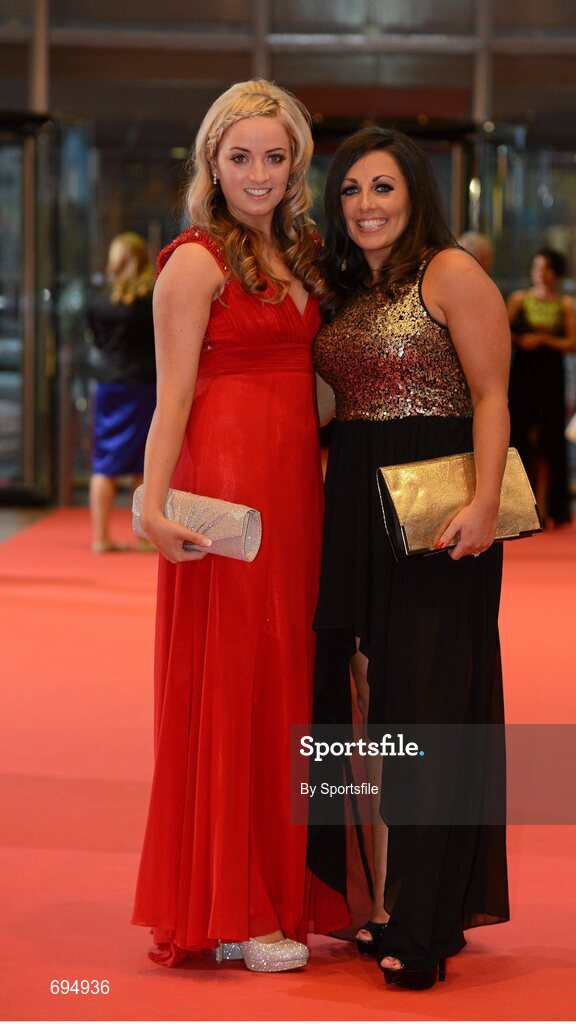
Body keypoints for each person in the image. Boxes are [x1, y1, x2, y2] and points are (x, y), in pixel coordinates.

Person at [131, 79, 334, 971]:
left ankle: (274, 891)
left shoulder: (301, 253)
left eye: (275, 156)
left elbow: (320, 389)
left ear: (296, 166)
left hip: (296, 495)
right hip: (226, 496)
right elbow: (171, 397)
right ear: (212, 162)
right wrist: (151, 503)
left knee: (286, 682)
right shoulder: (194, 260)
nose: (259, 172)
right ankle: (239, 906)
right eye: (241, 155)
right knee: (234, 686)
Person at [310, 126, 510, 990]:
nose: (366, 204)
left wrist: (485, 504)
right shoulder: (345, 291)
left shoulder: (451, 272)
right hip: (354, 508)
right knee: (367, 703)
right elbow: (322, 405)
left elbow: (493, 395)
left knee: (431, 708)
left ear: (414, 193)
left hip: (437, 515)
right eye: (351, 189)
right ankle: (386, 897)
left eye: (382, 187)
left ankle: (424, 923)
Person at [87, 232, 156, 553]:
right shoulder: (150, 300)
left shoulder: (99, 300)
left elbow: (97, 340)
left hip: (109, 385)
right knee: (144, 463)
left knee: (104, 462)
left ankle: (100, 536)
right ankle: (142, 536)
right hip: (144, 385)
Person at [507, 249, 576, 526]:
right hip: (523, 374)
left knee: (551, 442)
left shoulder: (565, 304)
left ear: (556, 272)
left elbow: (572, 343)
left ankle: (549, 506)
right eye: (537, 266)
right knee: (519, 439)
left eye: (546, 267)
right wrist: (522, 340)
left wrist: (543, 340)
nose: (540, 273)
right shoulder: (519, 299)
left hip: (551, 376)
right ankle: (519, 507)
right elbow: (502, 331)